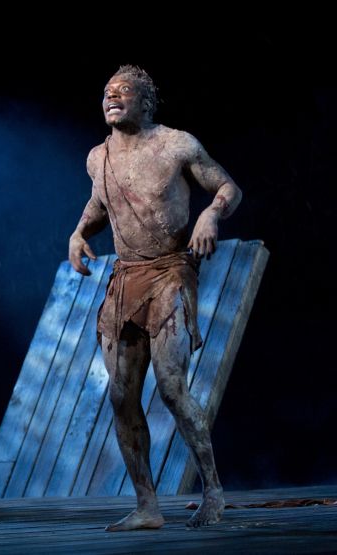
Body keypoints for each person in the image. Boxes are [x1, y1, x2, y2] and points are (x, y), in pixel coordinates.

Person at [68, 65, 242, 531]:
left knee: (170, 386)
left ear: (145, 102)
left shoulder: (176, 144)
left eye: (123, 90)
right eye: (107, 91)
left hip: (169, 273)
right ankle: (147, 505)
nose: (112, 96)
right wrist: (79, 232)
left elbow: (228, 186)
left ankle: (213, 491)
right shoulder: (98, 157)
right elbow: (100, 202)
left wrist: (211, 214)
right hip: (125, 280)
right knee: (121, 394)